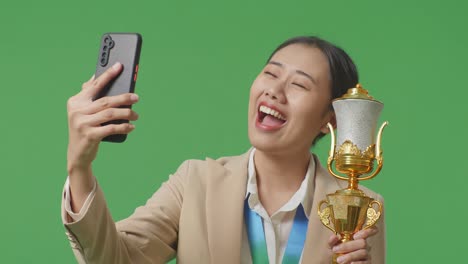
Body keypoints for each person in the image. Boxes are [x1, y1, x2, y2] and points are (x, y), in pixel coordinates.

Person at [62, 36, 385, 264]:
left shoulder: (360, 207)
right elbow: (115, 260)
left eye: (299, 85)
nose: (274, 91)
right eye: (271, 73)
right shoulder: (195, 183)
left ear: (328, 120)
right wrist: (80, 165)